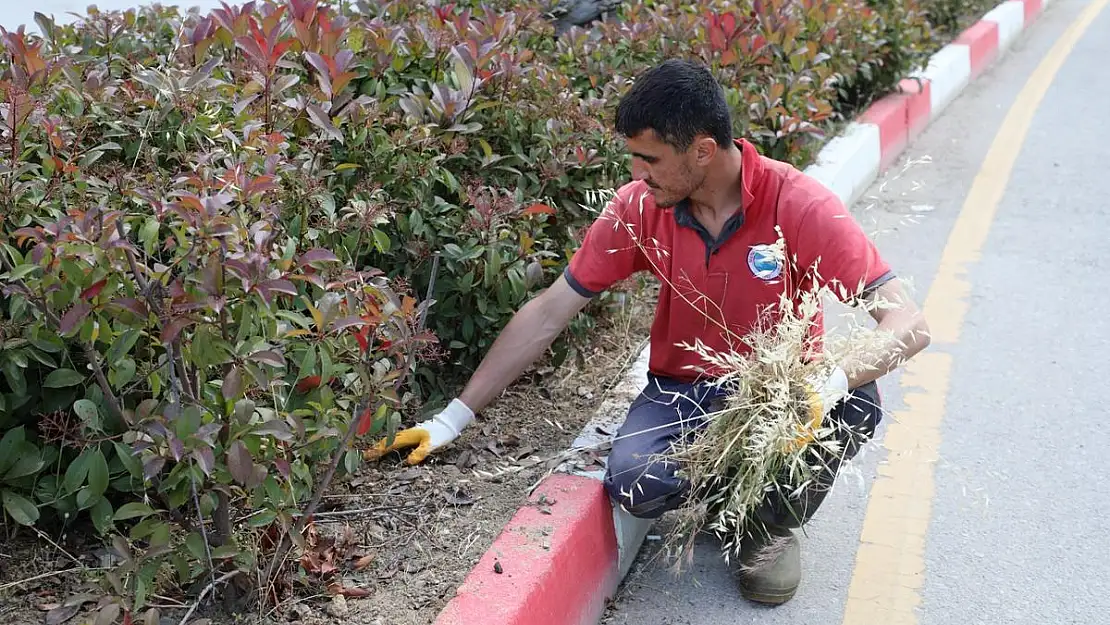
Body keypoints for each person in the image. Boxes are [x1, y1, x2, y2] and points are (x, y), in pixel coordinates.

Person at [364, 59, 931, 605]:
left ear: (703, 151)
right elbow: (548, 312)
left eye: (649, 159)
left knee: (855, 401)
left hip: (784, 393)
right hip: (684, 391)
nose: (637, 174)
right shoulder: (640, 208)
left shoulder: (797, 204)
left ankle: (769, 522)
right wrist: (449, 419)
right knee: (635, 482)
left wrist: (826, 381)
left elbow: (909, 323)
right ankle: (733, 489)